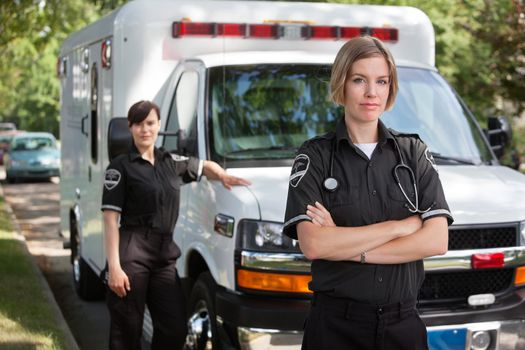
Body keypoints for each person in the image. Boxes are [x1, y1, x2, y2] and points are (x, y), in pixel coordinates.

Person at [283, 36, 453, 350]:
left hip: (402, 327)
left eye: (382, 81)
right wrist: (398, 228)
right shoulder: (315, 157)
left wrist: (348, 245)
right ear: (342, 84)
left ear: (390, 87)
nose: (372, 92)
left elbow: (436, 240)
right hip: (335, 329)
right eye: (360, 80)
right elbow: (315, 244)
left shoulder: (413, 153)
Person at [101, 100, 250, 350]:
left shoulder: (171, 162)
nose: (144, 129)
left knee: (175, 328)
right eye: (138, 124)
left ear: (159, 125)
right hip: (131, 254)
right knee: (126, 332)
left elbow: (204, 167)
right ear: (130, 128)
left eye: (150, 123)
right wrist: (114, 268)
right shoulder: (120, 167)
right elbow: (109, 219)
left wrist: (222, 175)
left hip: (163, 256)